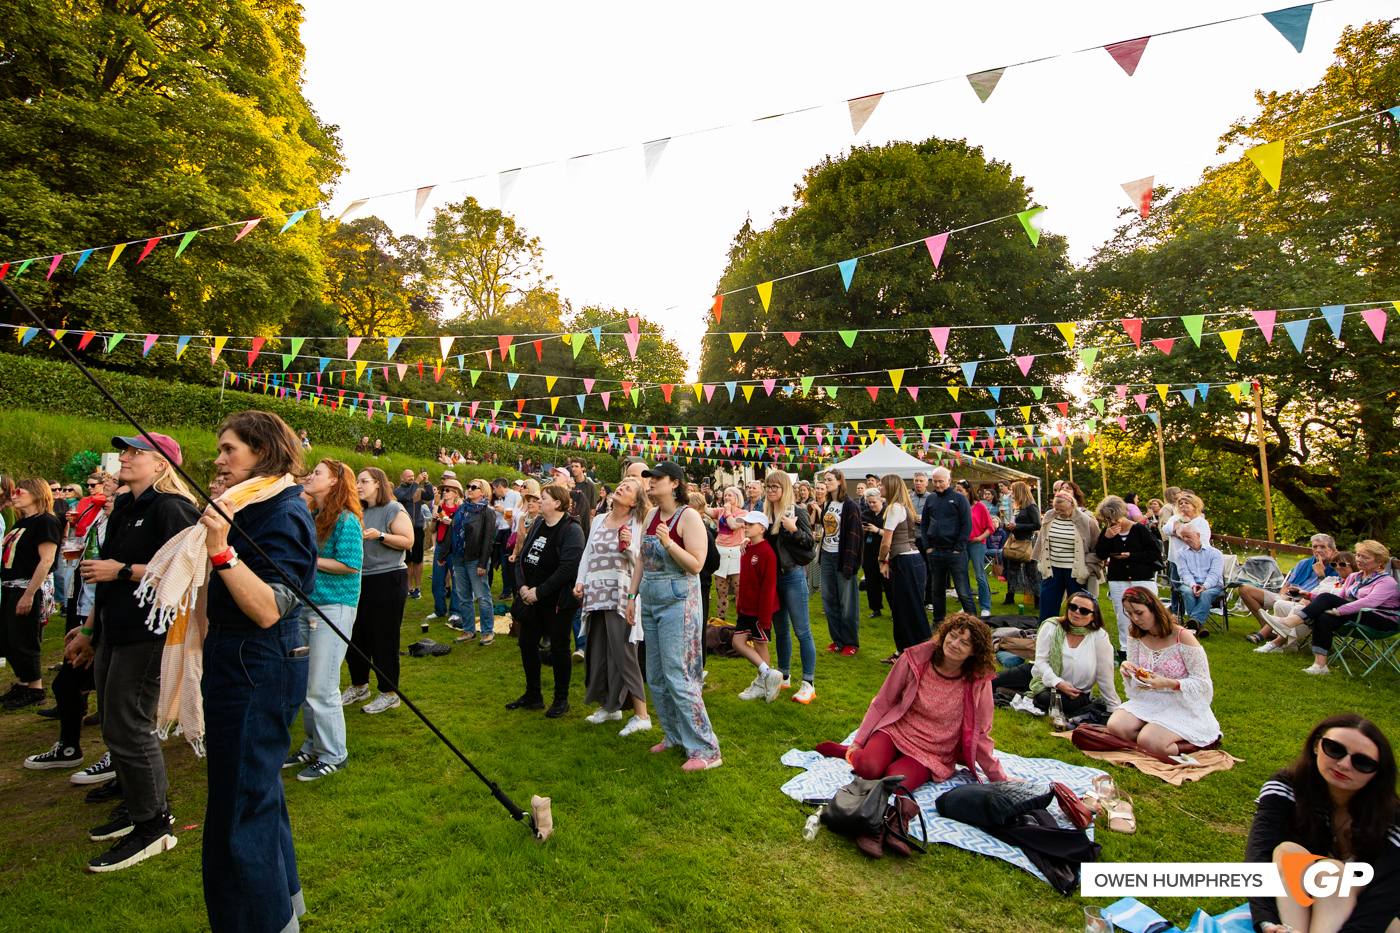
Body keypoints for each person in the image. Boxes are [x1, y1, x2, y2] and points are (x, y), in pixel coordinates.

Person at [198, 411, 318, 932]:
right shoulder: (251, 504)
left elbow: (271, 606)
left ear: (263, 452)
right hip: (238, 655)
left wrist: (220, 548)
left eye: (230, 450)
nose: (219, 459)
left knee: (238, 806)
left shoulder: (282, 511)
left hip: (256, 661)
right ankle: (282, 909)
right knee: (255, 791)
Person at [816, 614, 1010, 791]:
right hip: (898, 731)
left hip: (933, 750)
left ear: (974, 652)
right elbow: (883, 701)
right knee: (868, 769)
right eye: (953, 635)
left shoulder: (978, 680)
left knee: (895, 785)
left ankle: (882, 758)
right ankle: (851, 753)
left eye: (965, 643)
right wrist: (858, 742)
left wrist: (999, 778)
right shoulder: (916, 658)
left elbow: (982, 732)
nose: (954, 644)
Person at [1245, 713, 1399, 933]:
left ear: (1377, 773)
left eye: (1362, 763)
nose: (1344, 764)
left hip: (1378, 920)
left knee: (1331, 871)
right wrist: (1267, 922)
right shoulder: (1287, 787)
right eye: (1334, 749)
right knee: (1289, 852)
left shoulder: (1393, 818)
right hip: (1304, 909)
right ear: (1317, 745)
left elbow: (1386, 897)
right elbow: (1259, 854)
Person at [625, 461, 721, 768]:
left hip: (679, 603)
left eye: (657, 478)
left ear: (674, 484)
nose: (650, 483)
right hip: (650, 602)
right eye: (649, 478)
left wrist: (669, 543)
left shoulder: (689, 517)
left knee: (680, 675)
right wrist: (632, 595)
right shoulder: (651, 515)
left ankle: (706, 750)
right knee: (655, 676)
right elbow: (641, 557)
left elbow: (695, 564)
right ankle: (675, 736)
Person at [284, 459, 362, 781]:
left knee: (322, 685)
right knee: (305, 684)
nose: (309, 476)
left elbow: (350, 565)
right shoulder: (315, 515)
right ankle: (313, 744)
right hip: (307, 606)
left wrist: (309, 559)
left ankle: (334, 754)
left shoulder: (347, 519)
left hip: (334, 607)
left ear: (334, 482)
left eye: (317, 473)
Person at [574, 477, 651, 736]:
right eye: (622, 484)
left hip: (622, 595)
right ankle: (610, 706)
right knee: (598, 651)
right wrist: (580, 581)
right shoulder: (598, 519)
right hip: (596, 593)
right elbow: (588, 553)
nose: (621, 487)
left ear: (634, 502)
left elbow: (640, 560)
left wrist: (629, 544)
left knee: (624, 652)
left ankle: (642, 715)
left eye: (628, 488)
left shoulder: (638, 522)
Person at [1108, 586, 1221, 756]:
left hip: (1181, 702)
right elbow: (1138, 671)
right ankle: (1154, 734)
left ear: (1154, 608)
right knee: (1115, 726)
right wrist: (1128, 668)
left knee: (1149, 741)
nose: (1135, 619)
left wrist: (1169, 683)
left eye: (1139, 613)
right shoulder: (1135, 634)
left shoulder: (1182, 636)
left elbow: (1203, 683)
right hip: (1150, 699)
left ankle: (1201, 742)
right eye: (1130, 614)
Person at [509, 484, 585, 718]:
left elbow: (567, 569)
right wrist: (522, 587)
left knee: (560, 648)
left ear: (557, 504)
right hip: (531, 599)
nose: (538, 502)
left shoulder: (571, 531)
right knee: (527, 643)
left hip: (557, 602)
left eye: (543, 498)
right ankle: (533, 695)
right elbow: (523, 557)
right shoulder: (539, 524)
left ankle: (561, 700)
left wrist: (538, 592)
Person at [341, 467, 413, 714]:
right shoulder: (357, 510)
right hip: (360, 580)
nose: (358, 485)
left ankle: (390, 693)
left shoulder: (392, 508)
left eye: (363, 481)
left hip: (387, 579)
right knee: (355, 636)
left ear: (378, 484)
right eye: (357, 481)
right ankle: (359, 685)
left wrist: (381, 535)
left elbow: (408, 541)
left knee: (383, 638)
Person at [1273, 540, 1399, 676]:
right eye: (1358, 555)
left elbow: (1368, 603)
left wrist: (1338, 611)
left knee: (1327, 598)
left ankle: (1292, 622)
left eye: (1365, 557)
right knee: (1323, 617)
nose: (1359, 560)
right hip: (1356, 614)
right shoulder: (1355, 576)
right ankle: (1320, 665)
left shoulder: (1387, 582)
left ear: (1380, 561)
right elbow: (1339, 598)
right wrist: (1308, 594)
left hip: (1381, 619)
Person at [992, 591, 1121, 715]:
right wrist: (1057, 682)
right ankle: (1018, 692)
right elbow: (1041, 661)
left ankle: (1017, 694)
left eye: (1084, 611)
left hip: (1074, 691)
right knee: (990, 681)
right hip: (1040, 675)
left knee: (1047, 699)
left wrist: (1112, 706)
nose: (1077, 612)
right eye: (1073, 607)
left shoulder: (1099, 637)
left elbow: (1105, 675)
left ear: (1093, 616)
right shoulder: (1051, 626)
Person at [1, 478, 61, 711]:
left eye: (19, 491)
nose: (13, 495)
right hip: (9, 587)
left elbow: (46, 560)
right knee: (7, 639)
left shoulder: (45, 521)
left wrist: (28, 594)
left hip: (26, 587)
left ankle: (35, 688)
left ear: (36, 494)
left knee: (24, 637)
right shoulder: (21, 521)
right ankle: (23, 682)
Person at [764, 470, 818, 706]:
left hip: (793, 575)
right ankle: (784, 675)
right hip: (773, 578)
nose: (770, 491)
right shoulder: (765, 513)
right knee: (781, 630)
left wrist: (793, 529)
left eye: (775, 487)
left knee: (802, 631)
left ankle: (809, 683)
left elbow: (810, 544)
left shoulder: (796, 511)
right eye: (768, 487)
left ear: (785, 488)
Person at [1242, 534, 1339, 645]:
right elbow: (1286, 586)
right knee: (1245, 589)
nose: (1318, 550)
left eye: (1322, 547)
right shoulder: (1304, 564)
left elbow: (1328, 593)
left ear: (1332, 551)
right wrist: (1282, 596)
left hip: (1308, 602)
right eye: (1315, 547)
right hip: (1288, 596)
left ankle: (1263, 634)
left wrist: (1321, 574)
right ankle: (1270, 629)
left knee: (1291, 604)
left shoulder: (1337, 568)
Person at [1094, 494, 1161, 653]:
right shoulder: (1108, 531)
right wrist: (1108, 538)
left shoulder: (1138, 530)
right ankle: (1126, 648)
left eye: (1113, 518)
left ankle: (1150, 645)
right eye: (1107, 520)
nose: (1111, 522)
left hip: (1141, 576)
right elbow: (1100, 554)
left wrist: (1131, 556)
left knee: (1146, 611)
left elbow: (1154, 553)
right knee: (1122, 613)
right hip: (1118, 578)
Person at [877, 473, 933, 665]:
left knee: (909, 610)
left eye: (882, 485)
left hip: (905, 561)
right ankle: (904, 652)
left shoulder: (893, 508)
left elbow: (886, 541)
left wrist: (881, 560)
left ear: (890, 487)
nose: (879, 488)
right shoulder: (904, 507)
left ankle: (918, 652)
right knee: (905, 609)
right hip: (911, 560)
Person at [1255, 552, 1358, 654]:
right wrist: (1300, 595)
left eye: (1342, 564)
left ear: (1353, 565)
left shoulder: (1355, 583)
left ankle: (1276, 643)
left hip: (1335, 615)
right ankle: (1290, 644)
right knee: (1281, 605)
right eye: (1334, 564)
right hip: (1315, 609)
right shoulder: (1331, 580)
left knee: (1298, 611)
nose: (1338, 567)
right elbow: (1314, 594)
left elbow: (1339, 600)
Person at [439, 479, 497, 646]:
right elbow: (452, 532)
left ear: (483, 492)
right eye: (468, 487)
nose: (469, 489)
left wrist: (482, 563)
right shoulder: (462, 509)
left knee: (482, 596)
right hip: (459, 557)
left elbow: (488, 540)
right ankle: (469, 630)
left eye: (474, 487)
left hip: (476, 558)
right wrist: (443, 555)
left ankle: (487, 632)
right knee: (463, 596)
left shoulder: (487, 512)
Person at [733, 510, 784, 702]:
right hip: (745, 608)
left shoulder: (767, 553)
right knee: (738, 643)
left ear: (762, 529)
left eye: (750, 524)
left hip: (758, 611)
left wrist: (764, 618)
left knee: (759, 644)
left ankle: (763, 682)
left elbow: (768, 587)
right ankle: (766, 674)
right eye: (745, 523)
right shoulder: (747, 548)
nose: (745, 527)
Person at [1032, 490, 1102, 622]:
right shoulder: (1049, 516)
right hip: (1052, 567)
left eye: (1062, 510)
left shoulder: (1085, 521)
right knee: (1048, 603)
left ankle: (1076, 631)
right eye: (1056, 509)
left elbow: (1096, 546)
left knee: (1077, 605)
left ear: (1072, 506)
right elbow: (1043, 539)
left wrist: (1089, 566)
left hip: (1074, 570)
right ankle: (1045, 631)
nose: (1059, 512)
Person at [921, 467, 975, 622]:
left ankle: (974, 624)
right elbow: (924, 523)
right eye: (935, 481)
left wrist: (959, 548)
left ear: (949, 481)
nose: (937, 485)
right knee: (936, 590)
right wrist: (928, 546)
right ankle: (938, 621)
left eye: (941, 482)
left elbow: (967, 524)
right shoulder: (930, 499)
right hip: (935, 551)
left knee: (963, 590)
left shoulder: (959, 499)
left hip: (954, 552)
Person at [819, 469, 863, 655]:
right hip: (827, 555)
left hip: (843, 556)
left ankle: (850, 642)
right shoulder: (828, 503)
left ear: (839, 482)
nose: (826, 483)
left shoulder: (850, 505)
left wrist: (850, 563)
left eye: (829, 480)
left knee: (847, 602)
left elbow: (854, 536)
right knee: (829, 599)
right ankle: (836, 640)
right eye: (825, 480)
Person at [1161, 492, 1209, 614]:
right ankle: (1177, 613)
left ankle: (1195, 614)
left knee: (1191, 586)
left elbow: (1202, 540)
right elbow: (1166, 530)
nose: (1183, 505)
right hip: (1175, 559)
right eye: (1180, 503)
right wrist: (1181, 521)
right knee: (1175, 587)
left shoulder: (1201, 522)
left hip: (1194, 560)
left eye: (1186, 503)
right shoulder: (1175, 518)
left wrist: (1180, 534)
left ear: (1194, 505)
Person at [1175, 526, 1225, 636]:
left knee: (1206, 594)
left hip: (1212, 585)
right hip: (1189, 583)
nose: (1186, 539)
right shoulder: (1180, 553)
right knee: (1187, 592)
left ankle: (1194, 623)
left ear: (1198, 535)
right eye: (1183, 537)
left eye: (1188, 536)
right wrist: (1193, 585)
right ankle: (1199, 626)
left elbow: (1215, 573)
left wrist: (1205, 586)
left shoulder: (1215, 553)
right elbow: (1184, 572)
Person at [955, 479, 994, 618]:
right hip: (963, 543)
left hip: (977, 543)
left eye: (960, 491)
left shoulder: (980, 507)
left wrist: (980, 537)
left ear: (968, 491)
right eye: (956, 491)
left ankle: (985, 606)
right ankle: (966, 605)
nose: (957, 493)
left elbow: (990, 527)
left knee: (979, 574)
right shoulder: (959, 506)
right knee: (962, 574)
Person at [393, 469, 433, 601]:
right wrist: (416, 482)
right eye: (408, 476)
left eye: (412, 476)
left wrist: (427, 482)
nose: (411, 478)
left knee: (417, 559)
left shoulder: (417, 489)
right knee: (407, 559)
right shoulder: (398, 491)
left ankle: (418, 587)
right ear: (402, 478)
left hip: (417, 527)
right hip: (404, 528)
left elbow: (430, 496)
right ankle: (409, 587)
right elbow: (407, 497)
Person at [426, 479, 462, 622]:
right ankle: (439, 610)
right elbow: (431, 530)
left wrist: (451, 522)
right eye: (443, 490)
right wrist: (434, 519)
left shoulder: (461, 508)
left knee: (456, 580)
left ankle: (455, 611)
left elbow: (463, 528)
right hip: (441, 545)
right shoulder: (438, 508)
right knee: (437, 579)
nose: (444, 493)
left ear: (455, 493)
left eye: (447, 490)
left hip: (454, 546)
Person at [708, 486, 746, 623]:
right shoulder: (719, 511)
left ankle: (741, 622)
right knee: (721, 591)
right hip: (721, 552)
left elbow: (734, 526)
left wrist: (728, 512)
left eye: (730, 495)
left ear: (737, 497)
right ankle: (721, 622)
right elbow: (705, 510)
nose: (727, 498)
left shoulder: (743, 513)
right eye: (725, 495)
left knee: (738, 591)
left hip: (736, 552)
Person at [1002, 481, 1040, 609]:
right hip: (1016, 540)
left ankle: (1037, 600)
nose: (1011, 493)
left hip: (1028, 541)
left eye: (1013, 491)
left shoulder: (1031, 506)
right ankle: (1010, 596)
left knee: (1032, 572)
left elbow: (1037, 524)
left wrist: (1018, 526)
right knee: (1012, 569)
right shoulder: (1018, 507)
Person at [490, 477, 521, 599]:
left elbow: (518, 511)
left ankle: (510, 590)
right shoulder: (501, 499)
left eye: (494, 488)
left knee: (508, 562)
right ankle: (506, 590)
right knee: (502, 562)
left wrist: (504, 511)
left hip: (510, 532)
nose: (493, 492)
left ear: (499, 487)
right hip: (501, 531)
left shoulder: (515, 495)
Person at [860, 486, 887, 619]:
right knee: (872, 582)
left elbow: (889, 535)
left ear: (881, 500)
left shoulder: (887, 514)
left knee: (888, 583)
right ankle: (875, 609)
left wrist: (876, 530)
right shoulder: (865, 514)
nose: (872, 505)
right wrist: (864, 530)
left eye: (874, 502)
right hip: (869, 552)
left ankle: (894, 609)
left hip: (884, 552)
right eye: (869, 502)